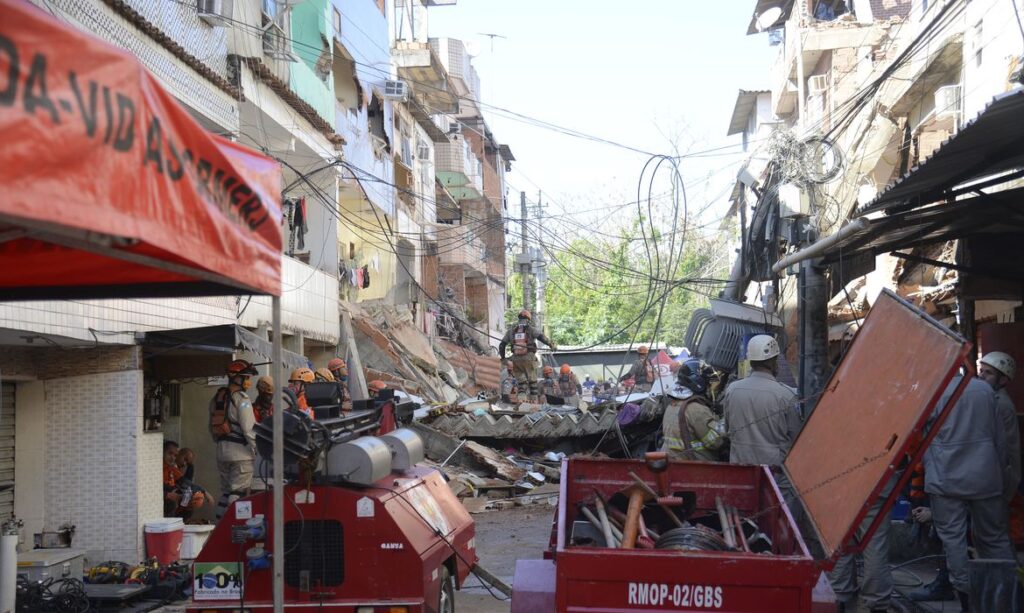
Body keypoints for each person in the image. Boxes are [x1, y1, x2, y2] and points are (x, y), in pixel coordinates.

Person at [923, 374, 1014, 610]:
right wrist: (1000, 472)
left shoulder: (932, 391)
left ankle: (967, 598)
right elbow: (1000, 438)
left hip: (946, 477)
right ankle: (1004, 596)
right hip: (985, 474)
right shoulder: (983, 390)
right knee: (994, 538)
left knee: (953, 540)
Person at [209, 359, 258, 520]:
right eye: (246, 377)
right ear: (237, 378)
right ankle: (234, 526)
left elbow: (212, 427)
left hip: (222, 452)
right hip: (241, 455)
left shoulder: (218, 397)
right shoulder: (242, 399)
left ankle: (219, 524)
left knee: (226, 492)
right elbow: (248, 429)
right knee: (239, 492)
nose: (248, 381)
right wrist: (258, 448)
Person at [662, 359, 726, 462]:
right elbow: (716, 443)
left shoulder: (672, 405)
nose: (710, 388)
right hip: (696, 468)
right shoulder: (696, 409)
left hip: (674, 464)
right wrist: (723, 420)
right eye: (708, 383)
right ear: (699, 383)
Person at [978, 351, 1021, 505]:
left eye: (988, 373)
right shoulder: (987, 397)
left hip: (998, 484)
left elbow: (1009, 451)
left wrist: (1006, 493)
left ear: (1003, 380)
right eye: (981, 371)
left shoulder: (1001, 404)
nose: (981, 376)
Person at [498, 309, 556, 403]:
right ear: (528, 319)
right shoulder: (531, 329)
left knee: (522, 384)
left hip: (516, 359)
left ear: (519, 319)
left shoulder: (511, 331)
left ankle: (521, 403)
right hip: (529, 358)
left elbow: (502, 345)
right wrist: (551, 344)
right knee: (533, 383)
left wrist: (503, 358)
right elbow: (541, 337)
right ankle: (534, 404)